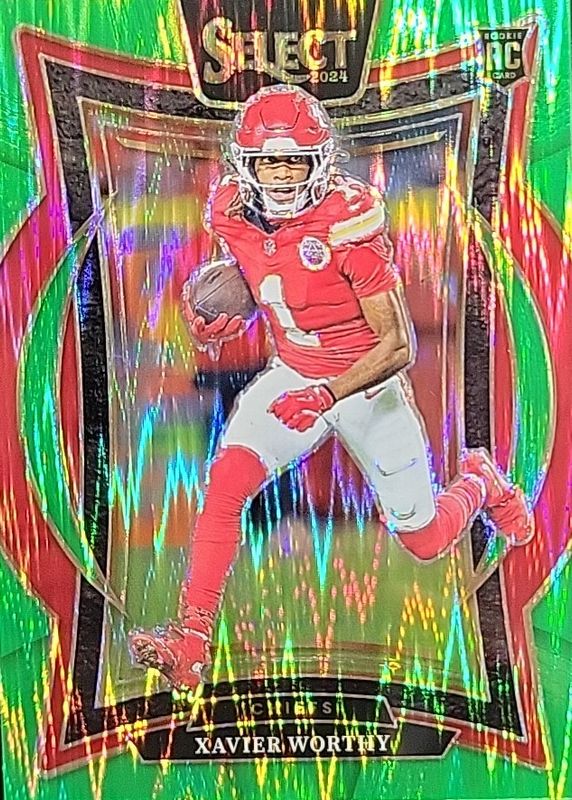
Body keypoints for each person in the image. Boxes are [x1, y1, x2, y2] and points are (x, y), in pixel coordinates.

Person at [128, 85, 533, 692]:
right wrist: (225, 305)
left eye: (294, 161)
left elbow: (398, 345)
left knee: (424, 540)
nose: (281, 175)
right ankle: (191, 639)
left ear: (319, 162)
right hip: (293, 371)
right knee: (226, 483)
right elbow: (260, 269)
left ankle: (480, 481)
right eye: (268, 161)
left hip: (366, 385)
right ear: (245, 164)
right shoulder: (229, 209)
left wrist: (326, 395)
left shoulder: (347, 221)